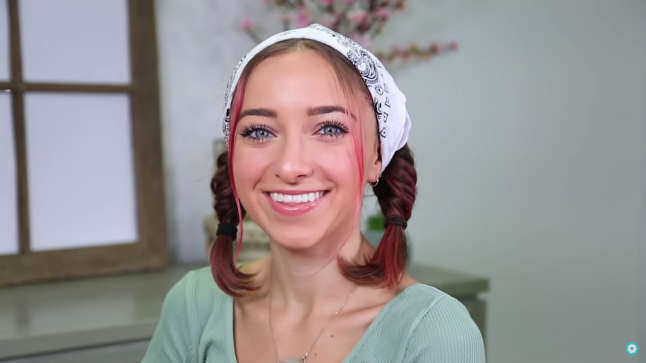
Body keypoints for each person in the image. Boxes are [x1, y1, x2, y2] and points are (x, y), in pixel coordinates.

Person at [143, 24, 485, 363]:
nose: (290, 166)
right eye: (260, 131)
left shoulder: (432, 332)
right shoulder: (193, 304)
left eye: (330, 128)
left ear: (377, 156)